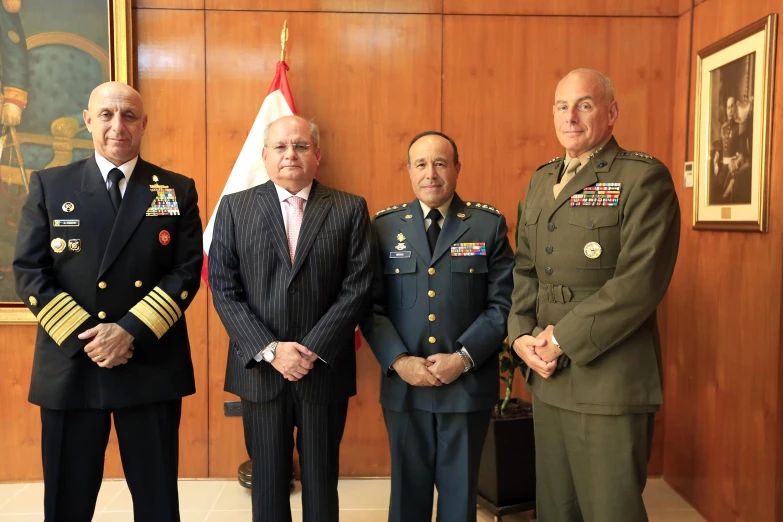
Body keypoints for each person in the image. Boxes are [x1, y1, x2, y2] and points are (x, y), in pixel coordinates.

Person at [13, 81, 203, 521]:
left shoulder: (175, 189)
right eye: (107, 115)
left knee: (157, 502)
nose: (118, 126)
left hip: (149, 362)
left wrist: (127, 333)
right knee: (67, 502)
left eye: (129, 116)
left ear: (144, 124)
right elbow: (29, 271)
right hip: (73, 364)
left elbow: (186, 271)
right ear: (87, 120)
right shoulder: (51, 184)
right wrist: (93, 340)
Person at [508, 68, 680, 522]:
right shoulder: (544, 179)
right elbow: (526, 268)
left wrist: (559, 340)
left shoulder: (643, 178)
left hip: (609, 379)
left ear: (611, 113)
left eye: (584, 104)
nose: (571, 117)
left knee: (610, 510)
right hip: (548, 378)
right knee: (556, 510)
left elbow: (639, 283)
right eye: (561, 106)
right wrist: (521, 335)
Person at [209, 115, 373, 522]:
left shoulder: (350, 208)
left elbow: (357, 287)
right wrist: (270, 350)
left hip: (323, 370)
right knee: (267, 481)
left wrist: (310, 349)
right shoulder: (234, 207)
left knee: (321, 481)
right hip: (261, 373)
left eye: (300, 146)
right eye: (280, 147)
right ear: (264, 156)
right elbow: (224, 289)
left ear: (317, 154)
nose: (290, 155)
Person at [361, 131, 514, 522]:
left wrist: (463, 358)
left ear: (457, 169)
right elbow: (370, 307)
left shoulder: (486, 225)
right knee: (406, 497)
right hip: (404, 387)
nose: (431, 173)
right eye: (421, 164)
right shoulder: (383, 227)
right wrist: (398, 361)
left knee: (460, 497)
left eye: (441, 163)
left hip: (466, 385)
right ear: (409, 171)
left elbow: (503, 304)